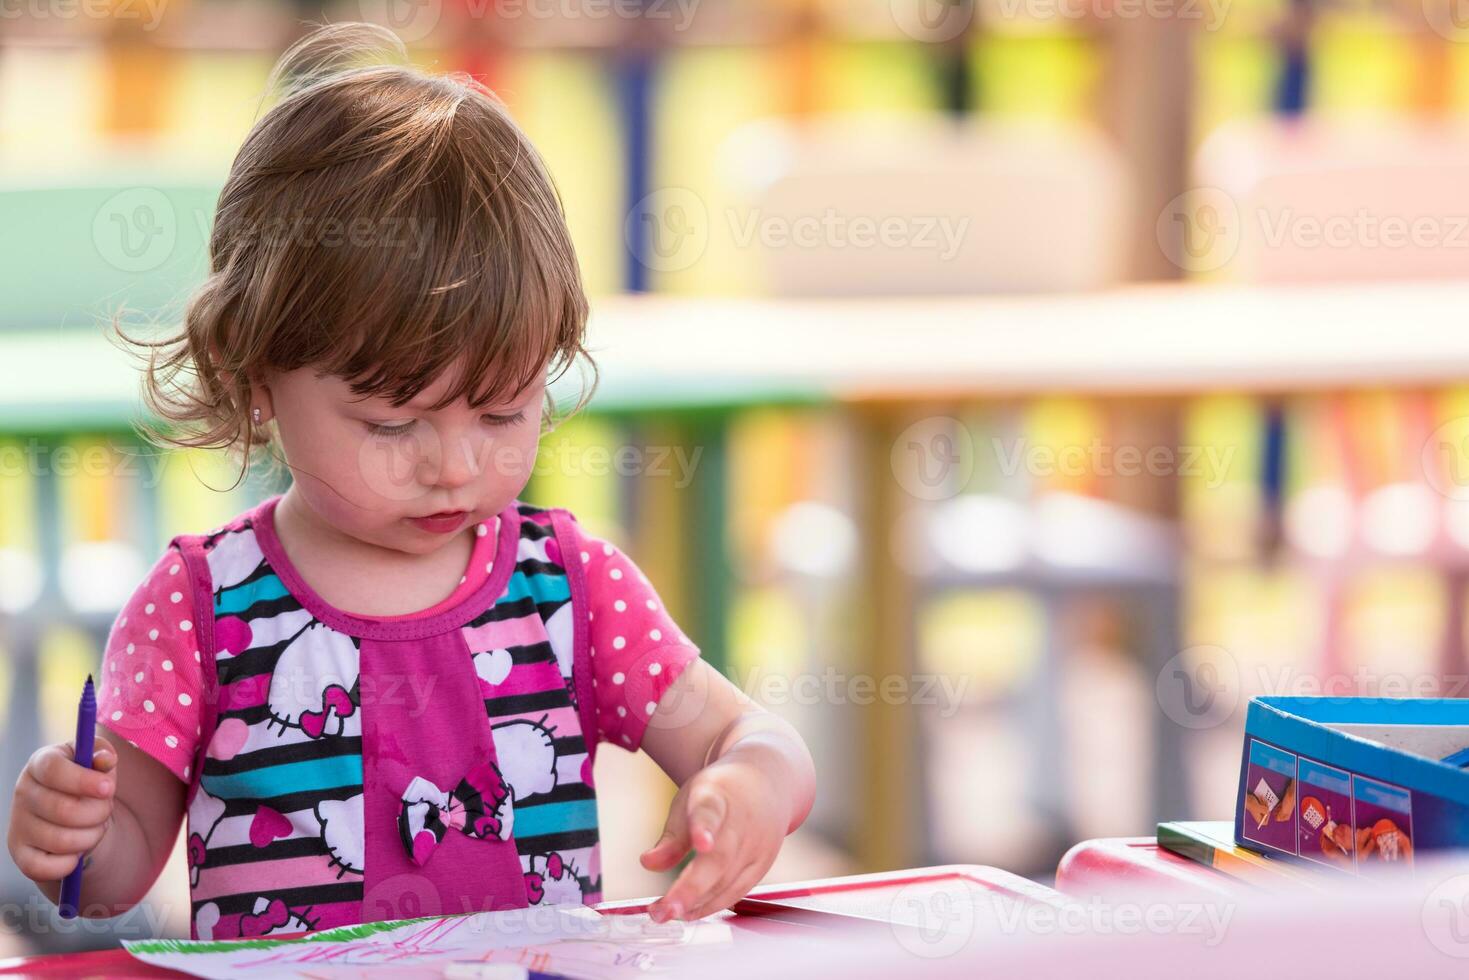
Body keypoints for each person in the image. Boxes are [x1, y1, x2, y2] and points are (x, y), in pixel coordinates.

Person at [6, 21, 814, 940]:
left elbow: (747, 737)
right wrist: (75, 834)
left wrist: (750, 780)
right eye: (394, 423)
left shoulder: (570, 589)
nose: (457, 466)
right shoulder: (199, 610)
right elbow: (116, 873)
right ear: (252, 371)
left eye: (503, 411)